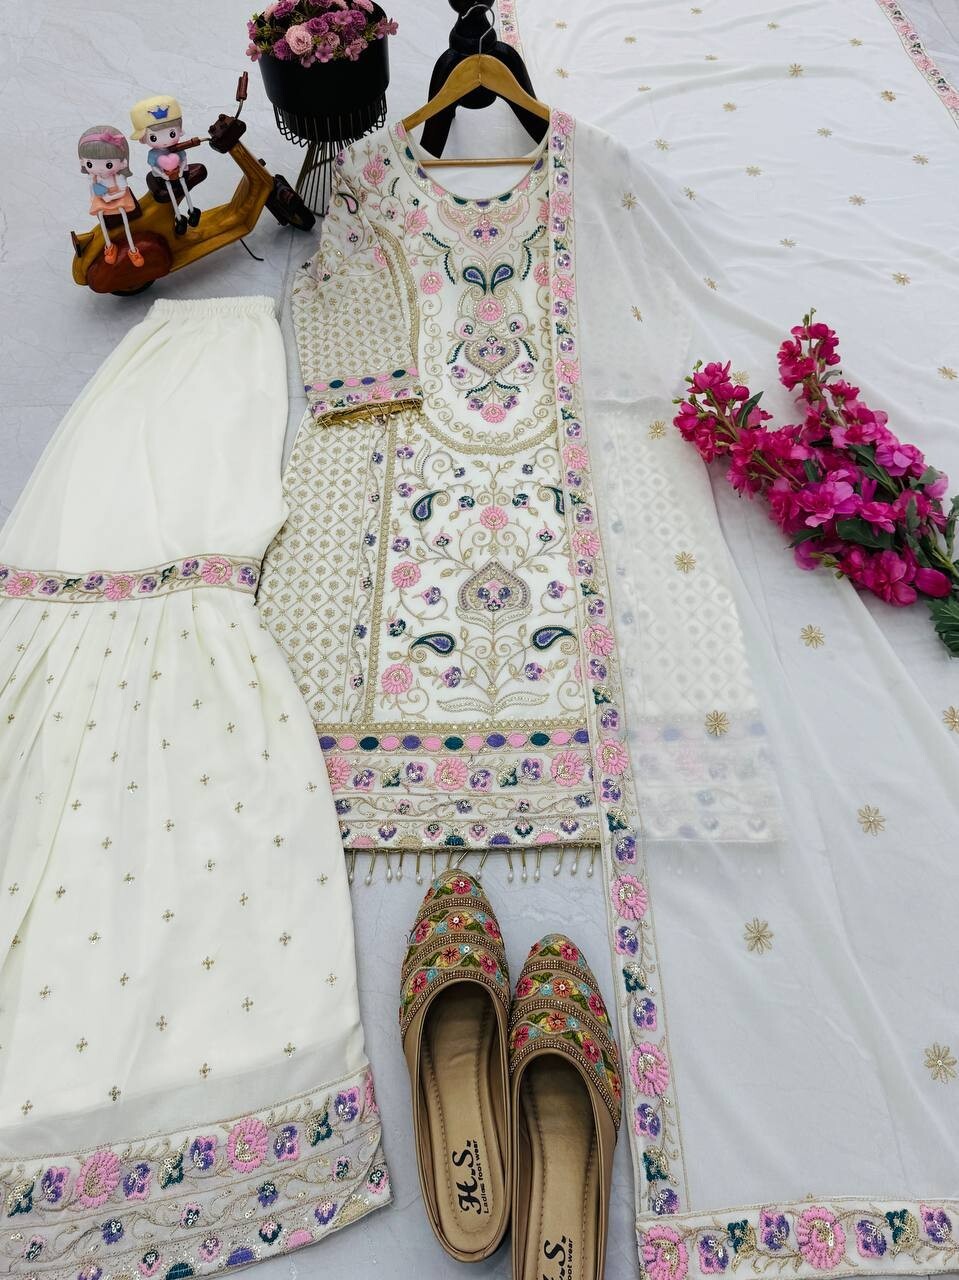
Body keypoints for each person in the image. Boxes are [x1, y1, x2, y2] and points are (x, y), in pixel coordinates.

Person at [130, 94, 201, 235]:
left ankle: (193, 210)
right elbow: (154, 167)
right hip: (164, 178)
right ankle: (178, 218)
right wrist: (163, 174)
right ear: (143, 139)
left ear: (180, 130)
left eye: (172, 134)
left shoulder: (178, 149)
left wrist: (181, 169)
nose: (164, 141)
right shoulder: (153, 154)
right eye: (154, 137)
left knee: (184, 186)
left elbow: (183, 159)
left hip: (180, 174)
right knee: (169, 190)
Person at [78, 125, 144, 266]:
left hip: (118, 198)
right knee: (101, 218)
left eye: (108, 164)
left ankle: (133, 250)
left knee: (125, 218)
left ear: (122, 162)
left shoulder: (118, 177)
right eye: (90, 163)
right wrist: (94, 197)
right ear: (83, 162)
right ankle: (109, 247)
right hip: (102, 199)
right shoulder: (94, 177)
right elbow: (92, 189)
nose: (100, 169)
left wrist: (110, 197)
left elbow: (122, 190)